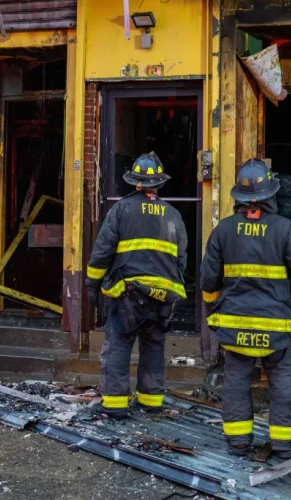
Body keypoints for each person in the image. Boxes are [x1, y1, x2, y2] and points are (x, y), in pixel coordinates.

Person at [200, 159, 291, 458]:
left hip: (235, 326)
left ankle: (238, 443)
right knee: (282, 382)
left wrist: (213, 311)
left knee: (237, 380)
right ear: (271, 195)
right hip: (274, 327)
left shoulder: (223, 231)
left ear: (237, 196)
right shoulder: (284, 228)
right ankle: (285, 443)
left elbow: (209, 278)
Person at [86, 152, 188, 418]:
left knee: (118, 345)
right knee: (153, 346)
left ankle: (116, 406)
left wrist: (92, 285)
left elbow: (102, 253)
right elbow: (181, 261)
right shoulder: (174, 215)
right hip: (164, 297)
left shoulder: (121, 209)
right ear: (158, 183)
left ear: (134, 182)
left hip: (128, 296)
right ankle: (151, 402)